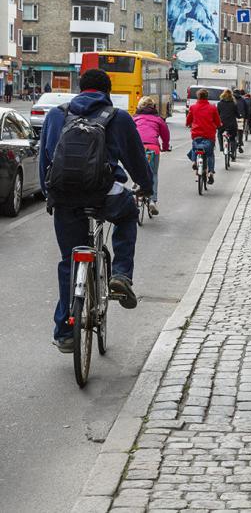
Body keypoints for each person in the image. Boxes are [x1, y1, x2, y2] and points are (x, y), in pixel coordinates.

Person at [39, 68, 153, 353]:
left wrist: (49, 194)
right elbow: (136, 160)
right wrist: (145, 188)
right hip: (105, 196)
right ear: (108, 92)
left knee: (69, 260)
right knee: (127, 215)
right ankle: (121, 275)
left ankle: (65, 332)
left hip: (65, 198)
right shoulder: (118, 117)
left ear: (80, 88)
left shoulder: (57, 115)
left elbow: (46, 159)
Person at [133, 96, 171, 215]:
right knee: (153, 174)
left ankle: (136, 190)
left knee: (137, 171)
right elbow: (166, 135)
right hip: (153, 148)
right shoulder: (158, 119)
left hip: (138, 148)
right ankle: (152, 202)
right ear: (153, 107)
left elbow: (129, 134)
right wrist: (165, 146)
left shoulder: (135, 119)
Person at [186, 88, 222, 184]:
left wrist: (189, 124)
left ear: (198, 96)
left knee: (195, 147)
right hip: (209, 135)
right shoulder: (213, 107)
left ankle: (194, 162)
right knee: (210, 154)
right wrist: (218, 126)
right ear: (207, 97)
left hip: (196, 134)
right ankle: (210, 172)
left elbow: (188, 121)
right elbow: (218, 122)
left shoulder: (193, 107)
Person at [216, 89, 239, 159]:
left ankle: (221, 147)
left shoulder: (219, 103)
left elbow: (217, 114)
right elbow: (237, 114)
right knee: (232, 138)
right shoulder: (234, 104)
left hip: (222, 124)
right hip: (232, 124)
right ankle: (232, 152)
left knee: (219, 133)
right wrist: (239, 116)